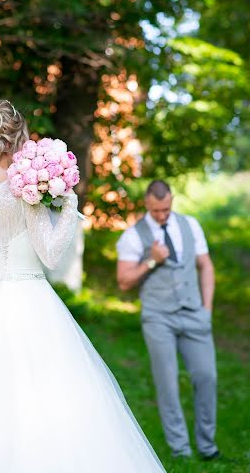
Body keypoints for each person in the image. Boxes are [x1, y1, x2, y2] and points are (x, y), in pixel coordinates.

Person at [0, 98, 167, 473]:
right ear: (16, 139)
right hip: (32, 304)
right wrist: (68, 204)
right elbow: (50, 254)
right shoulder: (22, 188)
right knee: (55, 403)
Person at [117, 180, 218, 461]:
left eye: (166, 209)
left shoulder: (191, 225)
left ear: (171, 202)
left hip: (194, 313)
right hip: (158, 318)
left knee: (206, 376)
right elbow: (124, 281)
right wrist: (151, 260)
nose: (162, 215)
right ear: (147, 204)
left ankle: (208, 446)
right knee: (168, 383)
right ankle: (181, 450)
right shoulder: (133, 236)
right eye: (156, 210)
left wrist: (206, 308)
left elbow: (205, 265)